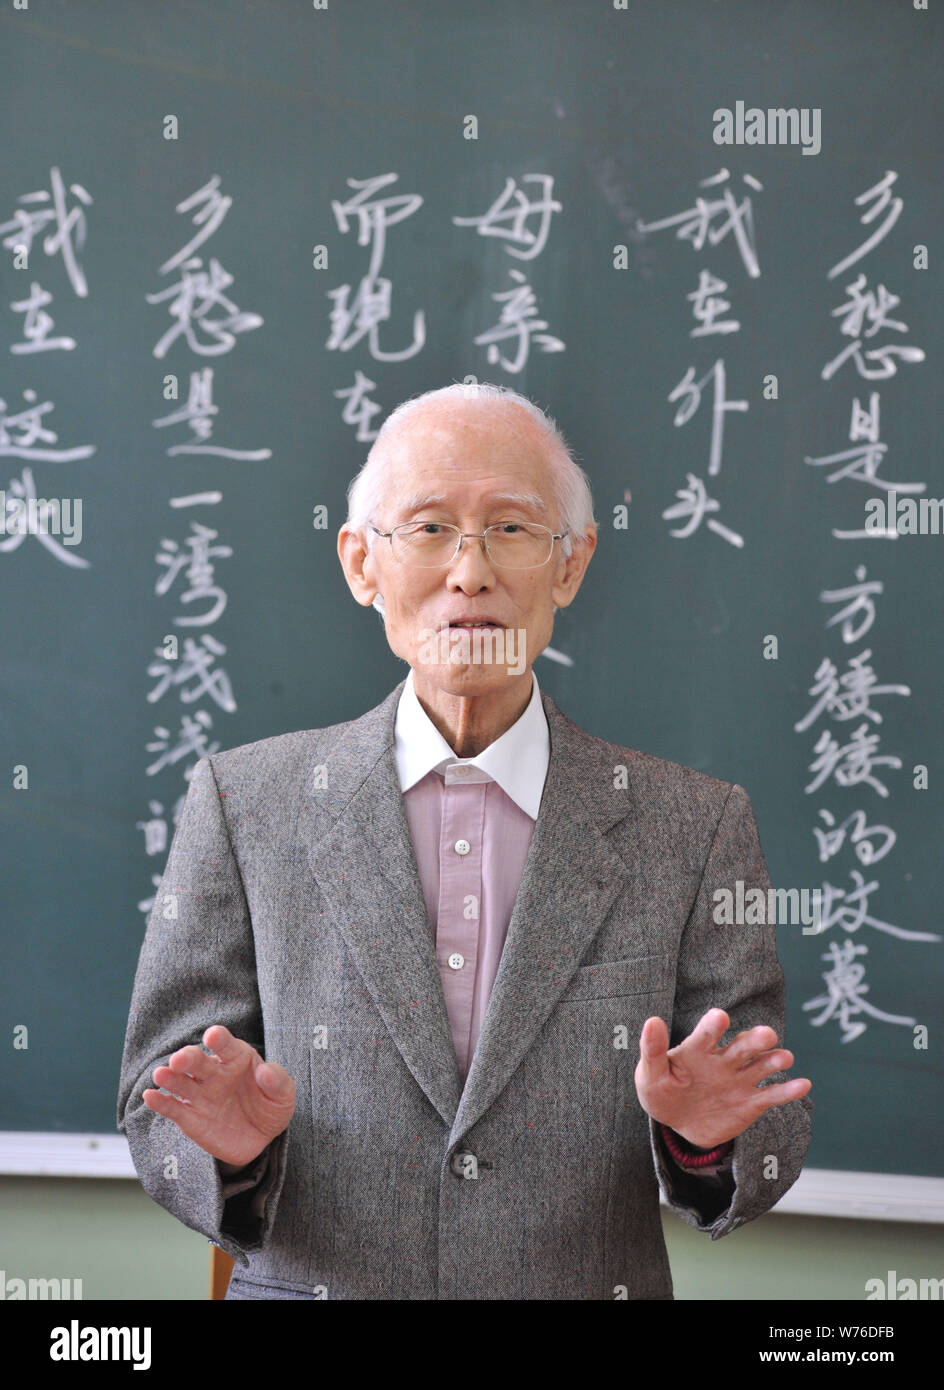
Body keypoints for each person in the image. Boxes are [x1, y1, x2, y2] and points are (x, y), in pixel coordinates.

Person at [117, 382, 813, 1300]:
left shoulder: (693, 825)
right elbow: (151, 1108)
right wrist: (229, 1152)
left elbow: (768, 1131)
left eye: (514, 529)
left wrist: (705, 1136)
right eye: (430, 528)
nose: (470, 572)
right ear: (361, 563)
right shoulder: (246, 805)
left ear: (571, 564)